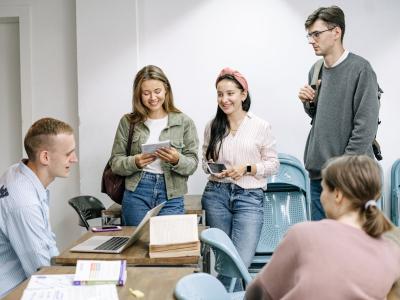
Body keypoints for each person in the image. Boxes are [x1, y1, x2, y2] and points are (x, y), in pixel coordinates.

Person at [245, 155, 400, 300]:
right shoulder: (391, 251)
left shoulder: (303, 235)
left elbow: (258, 292)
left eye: (324, 189)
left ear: (338, 195)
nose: (321, 196)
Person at [298, 6, 380, 220]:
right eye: (310, 35)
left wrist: (341, 171)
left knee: (354, 247)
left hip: (350, 178)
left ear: (336, 32)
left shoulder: (361, 69)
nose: (311, 40)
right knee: (322, 246)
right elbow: (321, 117)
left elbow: (365, 127)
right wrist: (310, 103)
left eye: (316, 34)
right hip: (319, 176)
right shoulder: (315, 70)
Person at [201, 67, 279, 291]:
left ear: (243, 94)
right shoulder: (212, 126)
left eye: (230, 93)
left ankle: (216, 295)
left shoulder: (260, 126)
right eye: (219, 94)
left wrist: (246, 168)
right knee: (226, 261)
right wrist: (214, 170)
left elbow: (273, 164)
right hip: (216, 195)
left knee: (239, 262)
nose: (224, 99)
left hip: (250, 198)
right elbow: (203, 163)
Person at [110, 65, 199, 226]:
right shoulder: (128, 122)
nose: (152, 97)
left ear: (166, 90)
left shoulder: (184, 122)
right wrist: (135, 162)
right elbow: (115, 163)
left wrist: (177, 159)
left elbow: (192, 164)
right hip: (137, 191)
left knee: (167, 246)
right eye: (146, 93)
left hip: (171, 193)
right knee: (135, 247)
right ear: (138, 95)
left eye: (157, 91)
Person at [0, 118, 78, 297]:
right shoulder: (24, 204)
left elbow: (46, 242)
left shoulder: (18, 171)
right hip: (13, 290)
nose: (74, 159)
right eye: (68, 153)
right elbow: (41, 272)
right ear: (45, 157)